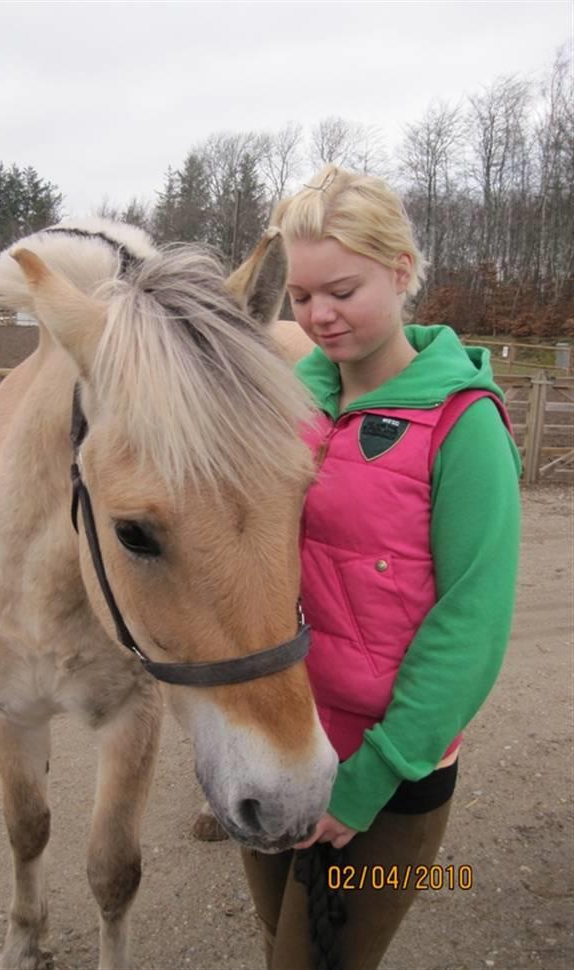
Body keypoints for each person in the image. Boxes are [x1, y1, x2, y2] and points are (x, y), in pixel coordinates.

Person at [241, 164, 521, 970]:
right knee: (276, 945)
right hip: (282, 744)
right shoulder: (289, 400)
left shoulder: (462, 424)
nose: (318, 316)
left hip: (384, 775)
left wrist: (368, 783)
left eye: (342, 289)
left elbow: (471, 624)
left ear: (401, 271)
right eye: (299, 298)